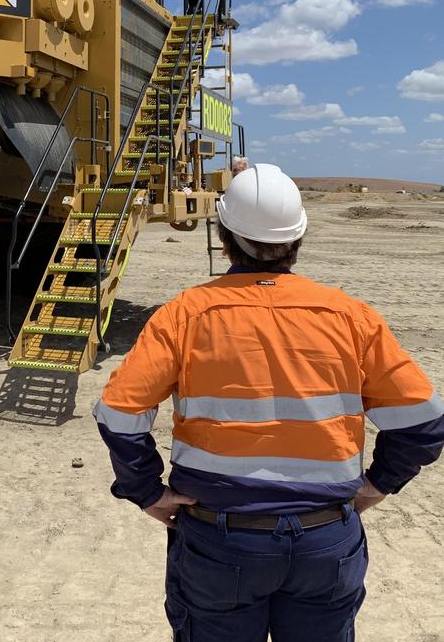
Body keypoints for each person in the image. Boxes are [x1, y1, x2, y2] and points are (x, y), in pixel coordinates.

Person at [94, 163, 444, 642]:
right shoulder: (350, 316)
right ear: (297, 240)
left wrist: (146, 491)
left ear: (225, 238)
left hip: (221, 540)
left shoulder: (185, 314)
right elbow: (423, 422)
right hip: (326, 541)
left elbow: (119, 412)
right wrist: (378, 485)